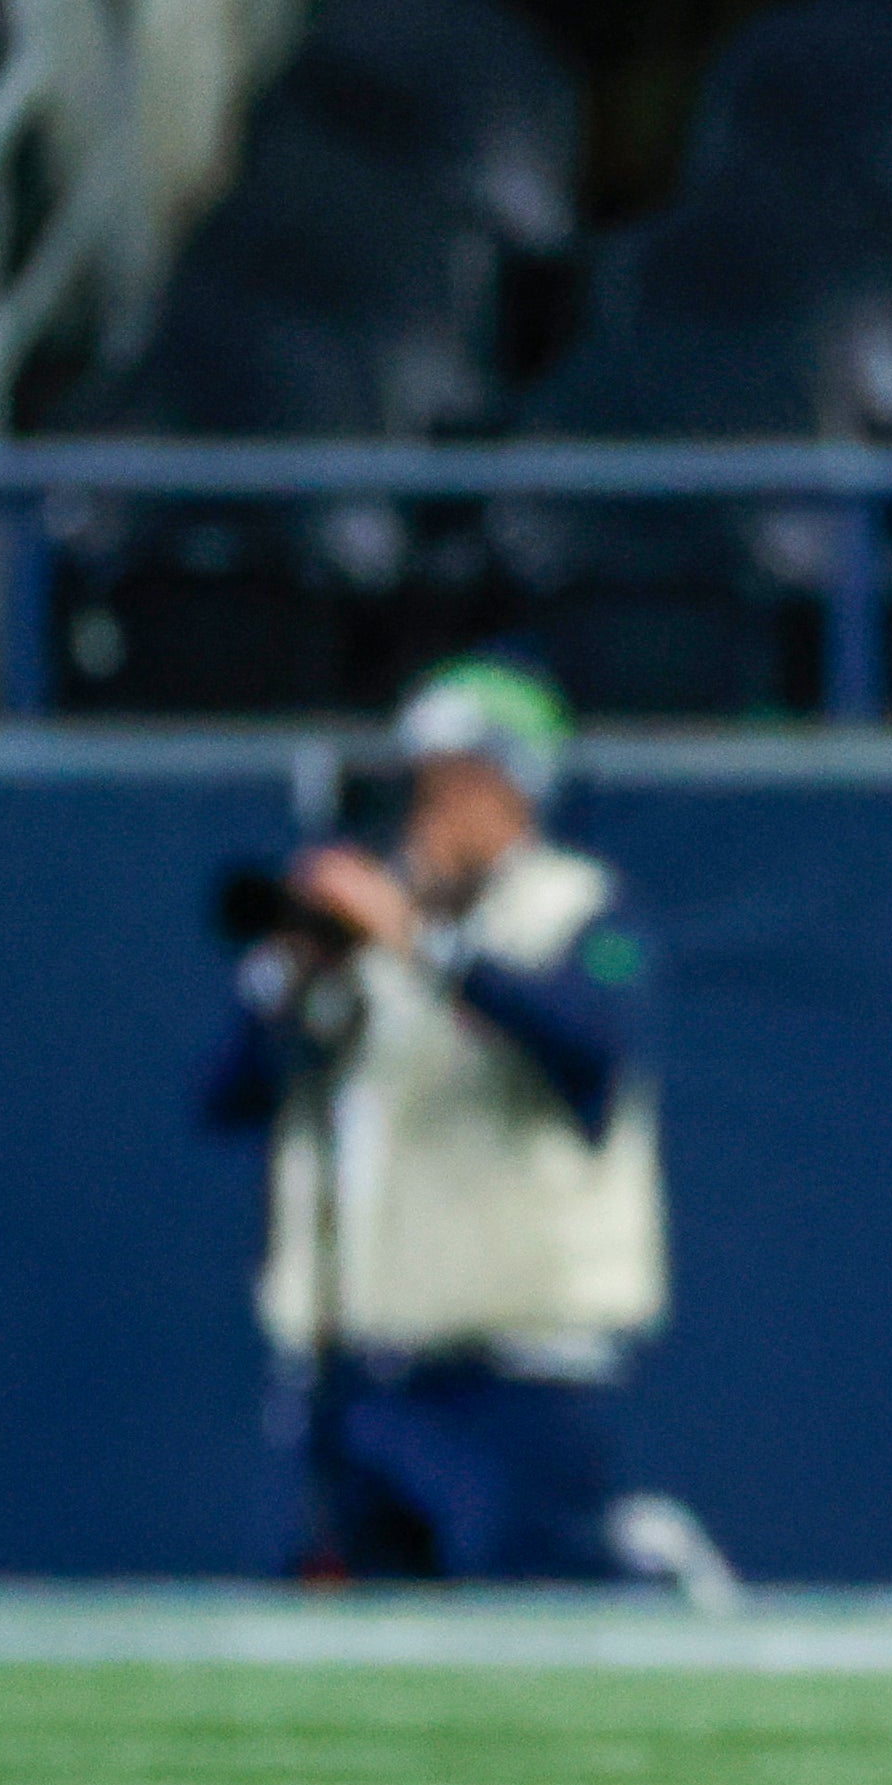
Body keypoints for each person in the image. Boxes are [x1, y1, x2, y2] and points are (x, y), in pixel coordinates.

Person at [202, 653, 699, 1586]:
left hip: (515, 1368)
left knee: (539, 1623)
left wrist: (424, 943)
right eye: (425, 777)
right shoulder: (366, 924)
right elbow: (225, 1097)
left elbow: (589, 1052)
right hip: (354, 1366)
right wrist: (292, 975)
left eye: (462, 776)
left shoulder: (582, 911)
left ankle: (647, 1567)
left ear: (517, 785)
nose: (433, 801)